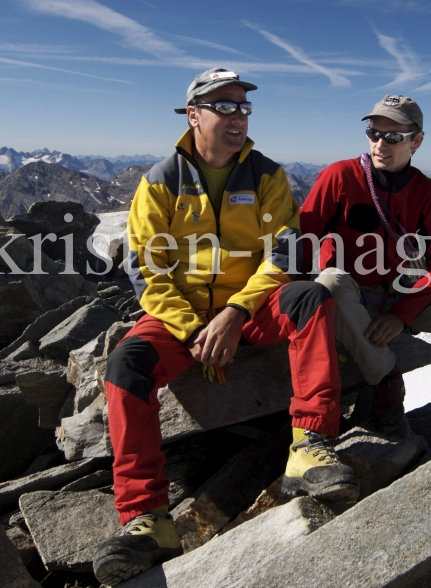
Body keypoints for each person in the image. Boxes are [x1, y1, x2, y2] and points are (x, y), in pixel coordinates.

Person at [93, 68, 358, 586]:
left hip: (249, 307)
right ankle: (147, 520)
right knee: (127, 364)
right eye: (225, 106)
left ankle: (308, 448)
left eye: (243, 107)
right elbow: (145, 267)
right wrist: (196, 330)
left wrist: (234, 314)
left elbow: (285, 252)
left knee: (310, 298)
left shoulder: (266, 175)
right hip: (181, 317)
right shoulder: (160, 181)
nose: (239, 117)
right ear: (193, 116)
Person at [300, 95, 431, 444]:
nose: (380, 143)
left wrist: (402, 314)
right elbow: (301, 242)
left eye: (393, 137)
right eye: (373, 132)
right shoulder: (339, 177)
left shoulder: (425, 191)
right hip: (347, 301)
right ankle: (386, 383)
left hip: (398, 299)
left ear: (416, 141)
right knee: (330, 281)